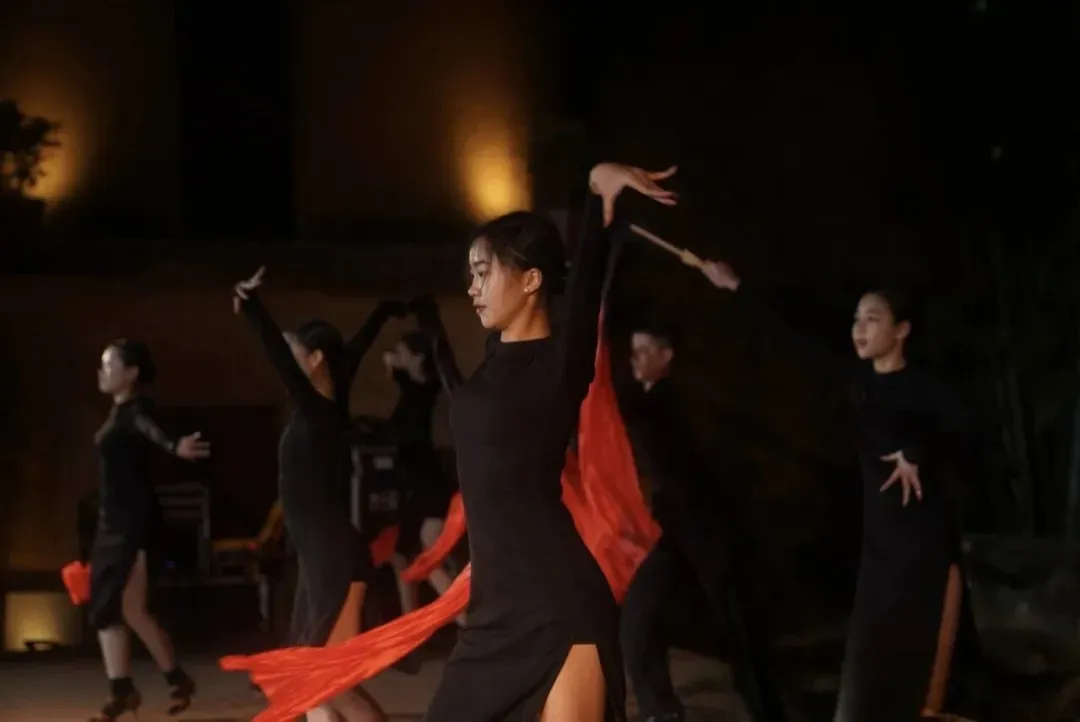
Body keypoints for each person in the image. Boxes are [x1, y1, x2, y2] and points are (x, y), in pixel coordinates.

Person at [409, 161, 677, 722]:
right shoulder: (492, 361)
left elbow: (585, 289)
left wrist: (597, 197)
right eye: (471, 274)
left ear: (532, 280)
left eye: (483, 272)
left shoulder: (559, 364)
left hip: (558, 606)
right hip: (493, 615)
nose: (472, 287)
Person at [699, 259, 977, 722]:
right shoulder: (859, 381)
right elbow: (796, 340)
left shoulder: (925, 388)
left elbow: (968, 432)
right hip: (878, 557)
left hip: (924, 557)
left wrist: (917, 450)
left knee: (923, 691)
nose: (860, 328)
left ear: (901, 330)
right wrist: (737, 288)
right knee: (861, 689)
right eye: (856, 319)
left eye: (873, 319)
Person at [232, 270, 404, 722]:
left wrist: (252, 307)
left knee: (334, 686)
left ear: (315, 360)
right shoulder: (323, 411)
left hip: (335, 562)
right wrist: (384, 311)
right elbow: (356, 348)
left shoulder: (318, 412)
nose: (289, 366)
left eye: (295, 354)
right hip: (321, 562)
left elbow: (280, 359)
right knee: (314, 684)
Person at [618, 323, 793, 722]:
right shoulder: (648, 404)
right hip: (673, 534)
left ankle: (769, 711)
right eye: (633, 350)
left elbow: (704, 465)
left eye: (645, 349)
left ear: (667, 355)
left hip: (704, 533)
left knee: (737, 630)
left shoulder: (673, 403)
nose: (636, 358)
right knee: (639, 619)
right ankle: (661, 710)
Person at [88, 339, 208, 721]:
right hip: (112, 522)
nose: (101, 372)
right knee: (127, 610)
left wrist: (173, 446)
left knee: (116, 607)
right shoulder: (119, 412)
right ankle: (167, 682)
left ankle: (129, 690)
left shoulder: (136, 411)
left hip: (129, 525)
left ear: (131, 373)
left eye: (109, 365)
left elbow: (149, 429)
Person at [380, 312, 462, 626]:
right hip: (415, 487)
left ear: (417, 359)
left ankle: (464, 617)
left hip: (428, 486)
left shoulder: (427, 390)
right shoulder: (414, 391)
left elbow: (413, 387)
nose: (396, 357)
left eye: (402, 353)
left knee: (428, 556)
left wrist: (396, 369)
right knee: (404, 555)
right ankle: (410, 623)